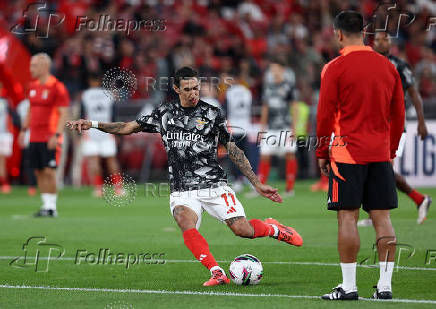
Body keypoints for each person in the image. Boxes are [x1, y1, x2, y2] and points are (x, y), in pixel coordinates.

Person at [67, 66, 303, 286]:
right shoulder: (164, 113)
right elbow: (127, 127)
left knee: (242, 230)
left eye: (196, 88)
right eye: (188, 89)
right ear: (177, 89)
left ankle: (273, 228)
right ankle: (216, 272)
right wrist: (93, 124)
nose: (193, 93)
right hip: (182, 189)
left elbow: (233, 149)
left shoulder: (212, 114)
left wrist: (257, 183)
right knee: (184, 220)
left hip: (214, 185)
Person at [317, 12, 404, 300]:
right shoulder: (387, 67)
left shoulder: (334, 68)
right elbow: (399, 115)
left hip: (346, 155)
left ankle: (349, 286)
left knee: (347, 218)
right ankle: (385, 285)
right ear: (365, 32)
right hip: (379, 154)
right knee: (382, 218)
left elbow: (325, 114)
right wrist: (390, 150)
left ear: (338, 34)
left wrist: (321, 151)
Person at [357, 31, 431, 226]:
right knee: (379, 170)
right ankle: (418, 199)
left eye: (386, 39)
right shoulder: (367, 63)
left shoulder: (399, 65)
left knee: (383, 170)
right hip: (372, 126)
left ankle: (381, 213)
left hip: (393, 126)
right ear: (373, 43)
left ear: (391, 43)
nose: (382, 42)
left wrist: (421, 122)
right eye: (378, 39)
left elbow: (414, 94)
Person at [18, 53, 70, 217]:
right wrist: (23, 130)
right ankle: (46, 205)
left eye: (34, 65)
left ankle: (52, 207)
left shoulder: (57, 87)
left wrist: (57, 135)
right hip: (34, 135)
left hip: (50, 135)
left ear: (44, 66)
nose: (30, 68)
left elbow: (63, 113)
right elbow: (30, 110)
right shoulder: (33, 86)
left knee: (49, 170)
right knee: (39, 170)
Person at [248, 58, 298, 197]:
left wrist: (294, 128)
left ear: (282, 70)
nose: (273, 71)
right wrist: (262, 128)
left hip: (286, 128)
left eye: (275, 68)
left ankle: (290, 188)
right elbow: (265, 108)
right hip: (271, 129)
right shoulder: (268, 87)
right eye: (271, 69)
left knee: (289, 154)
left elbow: (294, 108)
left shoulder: (289, 86)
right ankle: (261, 188)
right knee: (264, 155)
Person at [81, 73, 121, 197]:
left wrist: (80, 133)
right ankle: (118, 188)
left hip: (91, 131)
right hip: (107, 130)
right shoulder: (109, 94)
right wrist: (117, 132)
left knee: (94, 160)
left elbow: (82, 114)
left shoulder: (85, 95)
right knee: (111, 159)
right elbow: (114, 114)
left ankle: (98, 189)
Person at [224, 70, 252, 192]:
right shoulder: (247, 91)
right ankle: (247, 178)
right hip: (246, 126)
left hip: (233, 127)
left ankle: (237, 180)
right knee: (246, 155)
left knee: (234, 156)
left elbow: (226, 109)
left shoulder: (229, 92)